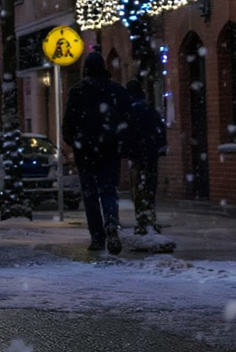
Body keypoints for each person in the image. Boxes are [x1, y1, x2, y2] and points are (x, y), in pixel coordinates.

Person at [62, 51, 132, 254]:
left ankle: (97, 237)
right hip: (110, 149)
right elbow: (127, 119)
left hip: (85, 151)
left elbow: (69, 123)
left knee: (90, 195)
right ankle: (111, 222)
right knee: (108, 190)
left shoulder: (78, 91)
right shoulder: (117, 91)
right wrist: (122, 143)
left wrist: (75, 142)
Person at [124, 80, 168, 235]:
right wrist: (159, 149)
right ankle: (150, 218)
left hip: (137, 156)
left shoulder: (129, 111)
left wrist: (126, 151)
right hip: (151, 156)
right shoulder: (150, 110)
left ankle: (143, 221)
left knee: (138, 189)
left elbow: (126, 134)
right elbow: (159, 131)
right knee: (149, 188)